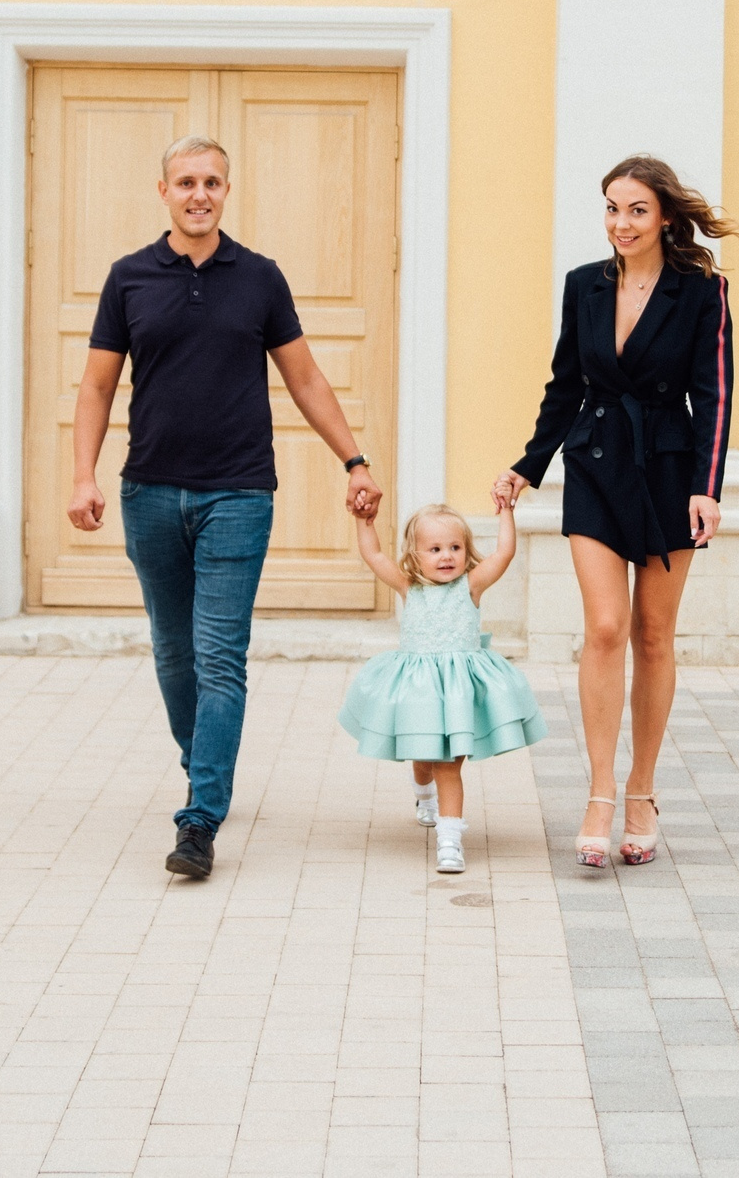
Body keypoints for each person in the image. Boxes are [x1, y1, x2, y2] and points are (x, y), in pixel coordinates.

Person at [67, 134, 383, 883]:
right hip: (150, 492)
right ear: (163, 190)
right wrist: (84, 475)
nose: (199, 193)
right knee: (174, 652)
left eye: (212, 181)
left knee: (219, 657)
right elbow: (96, 386)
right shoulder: (130, 278)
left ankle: (200, 816)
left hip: (239, 493)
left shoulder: (260, 278)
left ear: (227, 190)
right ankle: (202, 761)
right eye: (185, 182)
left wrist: (355, 457)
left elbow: (304, 379)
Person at [495, 154, 739, 870]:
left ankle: (642, 790)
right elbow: (564, 385)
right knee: (605, 627)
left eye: (636, 209)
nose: (621, 222)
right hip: (597, 464)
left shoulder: (702, 291)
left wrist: (708, 484)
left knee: (654, 635)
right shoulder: (584, 286)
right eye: (611, 207)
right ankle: (599, 791)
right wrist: (528, 465)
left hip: (668, 471)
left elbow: (715, 394)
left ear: (664, 214)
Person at [336, 495, 546, 874]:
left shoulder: (471, 586)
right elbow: (375, 556)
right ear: (415, 557)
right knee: (423, 759)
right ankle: (423, 796)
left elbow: (503, 554)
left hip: (457, 695)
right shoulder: (409, 588)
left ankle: (450, 840)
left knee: (448, 764)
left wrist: (507, 513)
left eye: (455, 547)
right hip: (420, 694)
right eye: (434, 549)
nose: (446, 556)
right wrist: (364, 522)